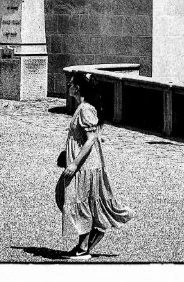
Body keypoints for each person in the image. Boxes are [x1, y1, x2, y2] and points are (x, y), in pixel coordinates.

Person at [56, 78, 134, 258]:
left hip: (85, 166)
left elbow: (91, 139)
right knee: (77, 199)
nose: (68, 86)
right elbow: (88, 137)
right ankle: (91, 235)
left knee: (79, 200)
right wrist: (66, 154)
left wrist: (75, 163)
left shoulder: (85, 109)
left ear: (78, 88)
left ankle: (84, 247)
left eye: (71, 84)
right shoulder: (83, 108)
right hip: (83, 163)